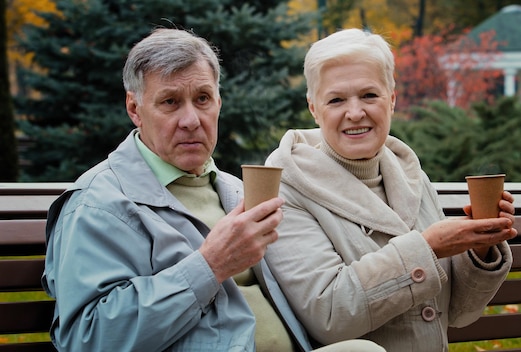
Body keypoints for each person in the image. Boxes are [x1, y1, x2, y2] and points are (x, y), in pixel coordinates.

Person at [42, 28, 384, 352]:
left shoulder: (234, 190)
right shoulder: (98, 204)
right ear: (135, 109)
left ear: (219, 102)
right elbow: (85, 338)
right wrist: (210, 265)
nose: (191, 119)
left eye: (202, 98)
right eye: (171, 102)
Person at [262, 28, 518, 351]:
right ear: (313, 108)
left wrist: (480, 246)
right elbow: (329, 314)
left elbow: (459, 313)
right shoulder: (287, 187)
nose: (355, 113)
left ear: (392, 100)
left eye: (369, 95)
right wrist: (427, 247)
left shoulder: (412, 175)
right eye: (336, 99)